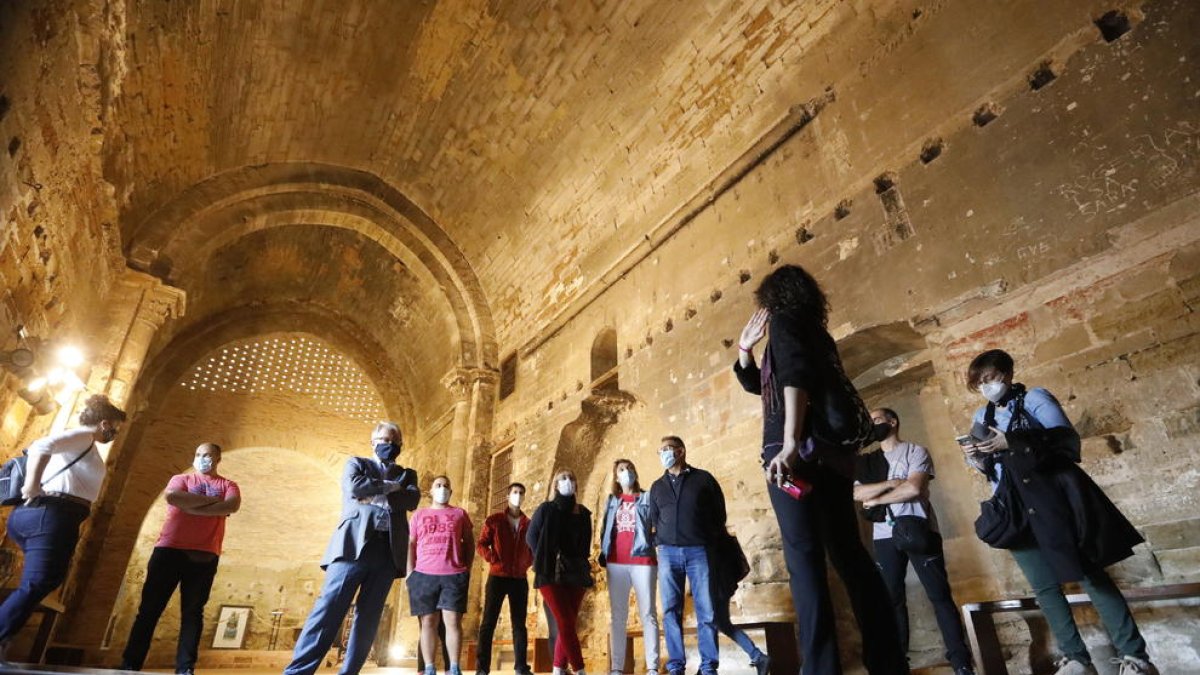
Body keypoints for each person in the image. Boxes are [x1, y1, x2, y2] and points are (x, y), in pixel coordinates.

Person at [735, 264, 907, 675]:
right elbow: (770, 384)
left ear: (772, 299)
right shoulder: (817, 332)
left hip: (797, 458)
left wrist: (791, 444)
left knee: (804, 561)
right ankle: (887, 662)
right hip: (831, 459)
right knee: (851, 556)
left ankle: (821, 668)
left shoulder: (784, 322)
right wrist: (745, 351)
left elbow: (792, 379)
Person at [961, 349, 1157, 675]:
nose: (986, 387)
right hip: (1015, 508)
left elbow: (1065, 441)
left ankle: (1135, 656)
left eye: (990, 379)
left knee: (1090, 575)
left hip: (1054, 501)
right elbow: (990, 469)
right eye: (979, 383)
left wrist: (1012, 442)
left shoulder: (1035, 398)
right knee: (1044, 587)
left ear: (1007, 374)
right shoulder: (982, 417)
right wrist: (976, 456)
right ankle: (1076, 659)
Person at [284, 422, 420, 675]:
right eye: (383, 440)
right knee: (329, 609)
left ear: (400, 445)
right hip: (353, 546)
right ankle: (298, 672)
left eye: (394, 442)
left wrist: (375, 489)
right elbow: (355, 487)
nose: (388, 446)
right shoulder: (356, 463)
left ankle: (349, 672)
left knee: (369, 618)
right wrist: (392, 487)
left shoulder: (408, 473)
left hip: (388, 550)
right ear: (373, 442)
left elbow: (411, 499)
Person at [0, 394, 126, 660]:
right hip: (51, 513)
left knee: (48, 578)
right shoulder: (83, 436)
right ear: (104, 423)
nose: (115, 432)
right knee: (40, 580)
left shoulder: (86, 445)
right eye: (115, 427)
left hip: (52, 516)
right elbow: (43, 445)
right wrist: (31, 485)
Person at [853, 409, 975, 675]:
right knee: (892, 601)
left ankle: (961, 662)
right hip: (884, 536)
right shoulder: (867, 462)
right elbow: (856, 492)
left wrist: (877, 498)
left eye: (876, 420)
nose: (871, 425)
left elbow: (914, 489)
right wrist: (890, 483)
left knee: (939, 596)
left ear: (893, 422)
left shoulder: (915, 452)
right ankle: (898, 665)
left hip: (920, 529)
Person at [120, 443, 242, 675]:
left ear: (217, 458)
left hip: (205, 555)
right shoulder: (181, 479)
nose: (201, 458)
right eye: (197, 454)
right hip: (169, 550)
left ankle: (185, 668)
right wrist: (215, 507)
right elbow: (174, 497)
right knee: (149, 610)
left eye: (206, 455)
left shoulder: (228, 484)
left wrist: (192, 506)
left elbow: (232, 505)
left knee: (193, 613)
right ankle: (130, 664)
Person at [648, 436, 725, 675]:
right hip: (668, 554)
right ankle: (676, 666)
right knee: (670, 610)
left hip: (698, 551)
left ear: (680, 451)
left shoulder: (703, 479)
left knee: (706, 609)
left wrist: (705, 538)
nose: (663, 454)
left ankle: (708, 666)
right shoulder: (657, 486)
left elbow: (719, 514)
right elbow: (653, 519)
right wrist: (659, 543)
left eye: (667, 449)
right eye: (660, 450)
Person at [527, 469, 592, 675]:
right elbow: (531, 536)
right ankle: (580, 669)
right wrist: (544, 557)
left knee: (569, 624)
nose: (568, 481)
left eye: (571, 478)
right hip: (550, 572)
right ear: (555, 485)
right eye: (563, 478)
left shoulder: (583, 513)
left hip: (576, 573)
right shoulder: (547, 509)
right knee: (564, 622)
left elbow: (584, 546)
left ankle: (558, 668)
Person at [598, 459, 659, 675]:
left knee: (648, 613)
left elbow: (658, 524)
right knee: (617, 616)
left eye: (630, 468)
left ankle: (652, 667)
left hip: (643, 560)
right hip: (616, 563)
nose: (626, 472)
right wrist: (603, 552)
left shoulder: (647, 497)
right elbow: (605, 528)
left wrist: (652, 542)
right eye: (622, 470)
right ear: (616, 476)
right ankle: (616, 668)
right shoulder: (612, 501)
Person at [409, 475, 474, 675]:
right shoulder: (419, 515)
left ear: (451, 491)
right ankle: (429, 668)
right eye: (438, 485)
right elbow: (411, 544)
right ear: (431, 491)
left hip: (453, 574)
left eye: (446, 486)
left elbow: (469, 543)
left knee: (453, 622)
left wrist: (466, 569)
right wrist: (410, 573)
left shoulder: (460, 514)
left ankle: (454, 667)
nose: (442, 488)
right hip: (423, 574)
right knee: (428, 622)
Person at [475, 482, 534, 675]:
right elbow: (482, 544)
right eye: (515, 492)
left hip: (519, 578)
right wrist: (493, 558)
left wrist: (527, 562)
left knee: (519, 624)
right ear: (508, 496)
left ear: (524, 497)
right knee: (488, 622)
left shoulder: (528, 523)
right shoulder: (495, 520)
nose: (518, 495)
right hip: (497, 577)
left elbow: (534, 547)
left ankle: (521, 667)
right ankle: (482, 668)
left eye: (521, 493)